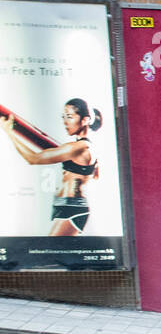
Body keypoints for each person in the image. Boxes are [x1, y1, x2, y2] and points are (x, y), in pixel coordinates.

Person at [3, 99, 102, 236]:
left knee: (50, 251)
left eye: (69, 117)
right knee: (54, 252)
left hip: (72, 209)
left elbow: (32, 159)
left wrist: (9, 132)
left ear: (85, 120)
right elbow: (95, 175)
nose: (65, 122)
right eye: (63, 117)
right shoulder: (84, 148)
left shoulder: (79, 148)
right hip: (65, 205)